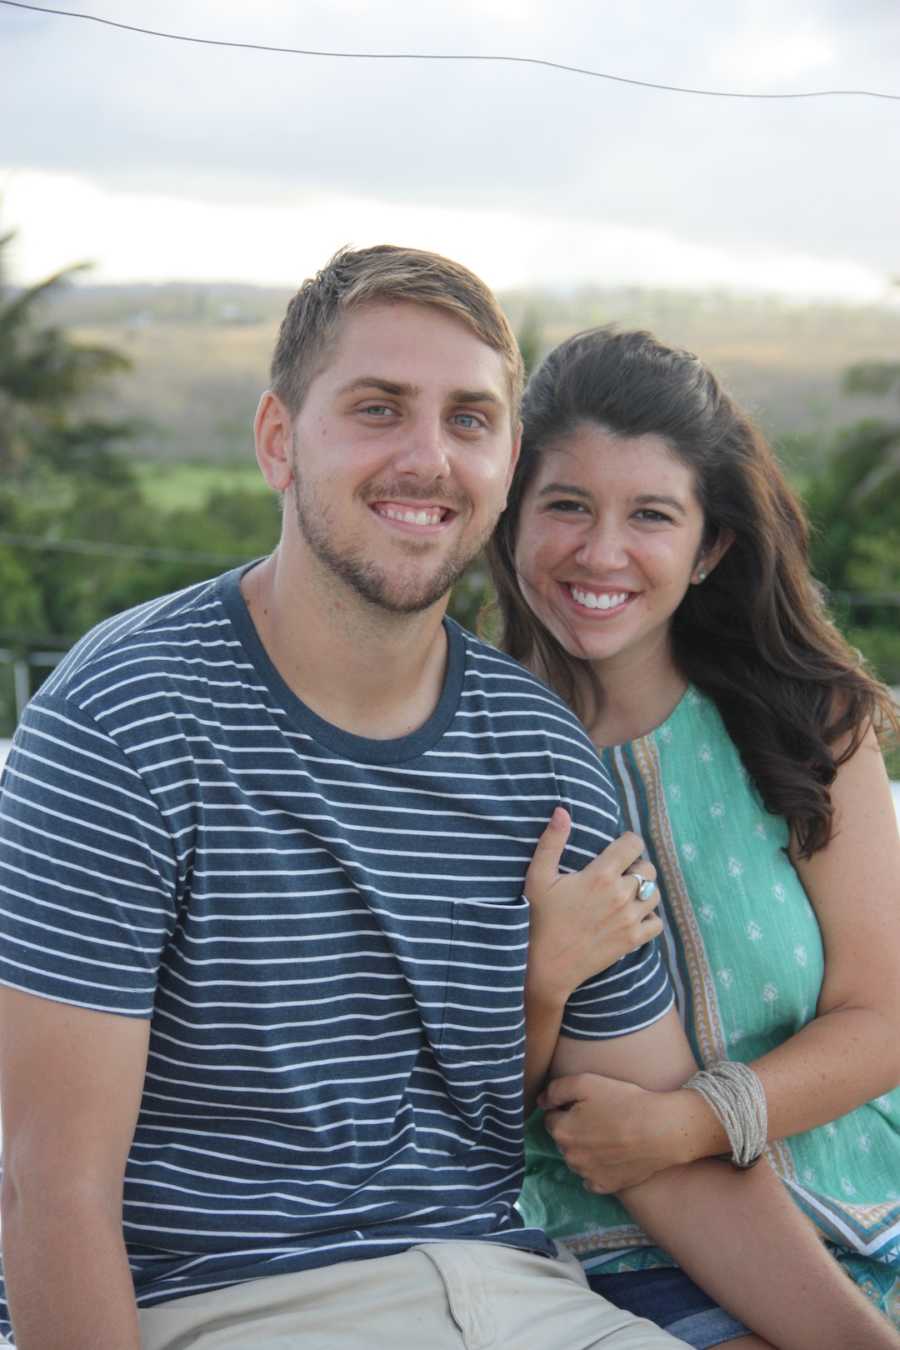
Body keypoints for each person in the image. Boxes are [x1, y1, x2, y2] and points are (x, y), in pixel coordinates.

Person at [0, 249, 890, 1350]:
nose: (428, 457)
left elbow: (672, 1169)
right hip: (236, 1305)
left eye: (469, 420)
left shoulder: (539, 754)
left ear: (501, 460)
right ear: (279, 439)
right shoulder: (128, 715)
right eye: (379, 409)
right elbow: (50, 1183)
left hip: (516, 1295)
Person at [487, 324, 900, 1347]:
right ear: (508, 518)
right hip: (618, 1250)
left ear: (710, 545)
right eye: (567, 506)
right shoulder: (470, 760)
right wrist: (543, 976)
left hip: (870, 1208)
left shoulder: (806, 722)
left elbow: (883, 1014)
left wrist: (694, 1120)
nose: (602, 552)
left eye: (652, 516)